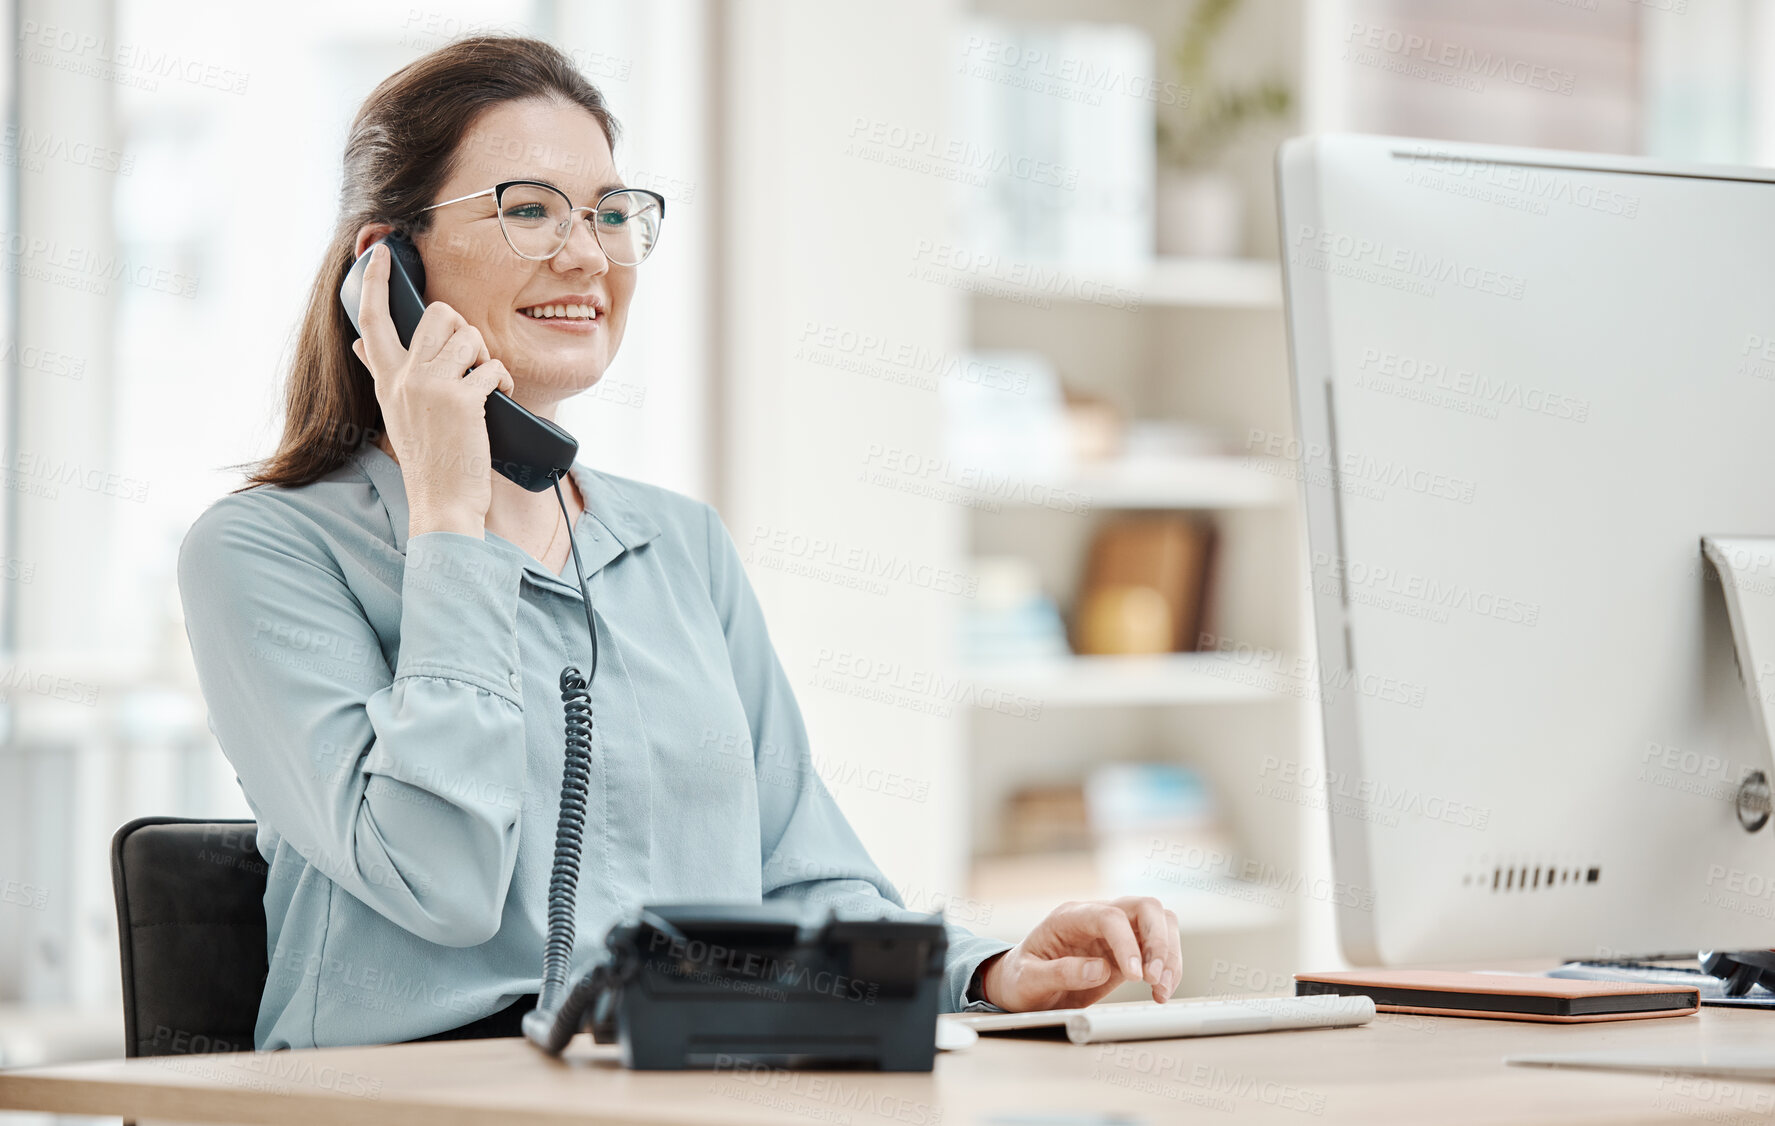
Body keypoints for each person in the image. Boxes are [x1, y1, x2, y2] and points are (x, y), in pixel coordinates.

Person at [177, 35, 1182, 1051]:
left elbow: (799, 875)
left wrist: (991, 972)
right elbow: (440, 879)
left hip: (675, 1084)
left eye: (610, 213)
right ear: (386, 265)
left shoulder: (676, 546)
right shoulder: (262, 552)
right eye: (528, 209)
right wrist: (448, 515)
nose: (586, 253)